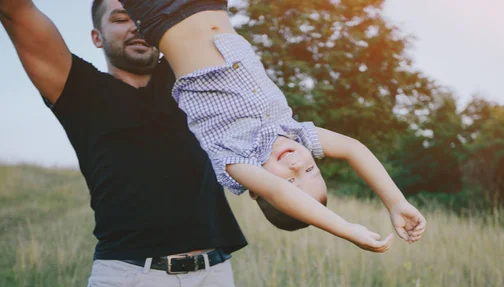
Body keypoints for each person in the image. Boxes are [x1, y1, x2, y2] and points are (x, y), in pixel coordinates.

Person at [1, 0, 248, 287]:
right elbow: (15, 11)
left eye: (141, 17)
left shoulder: (192, 81)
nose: (135, 26)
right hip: (127, 285)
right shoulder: (77, 89)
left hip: (212, 285)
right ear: (97, 36)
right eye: (120, 19)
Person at [118, 0, 427, 250]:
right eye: (309, 170)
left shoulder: (234, 160)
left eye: (291, 182)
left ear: (257, 189)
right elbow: (353, 149)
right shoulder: (292, 131)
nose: (296, 165)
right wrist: (396, 202)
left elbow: (278, 192)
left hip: (162, 9)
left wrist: (346, 229)